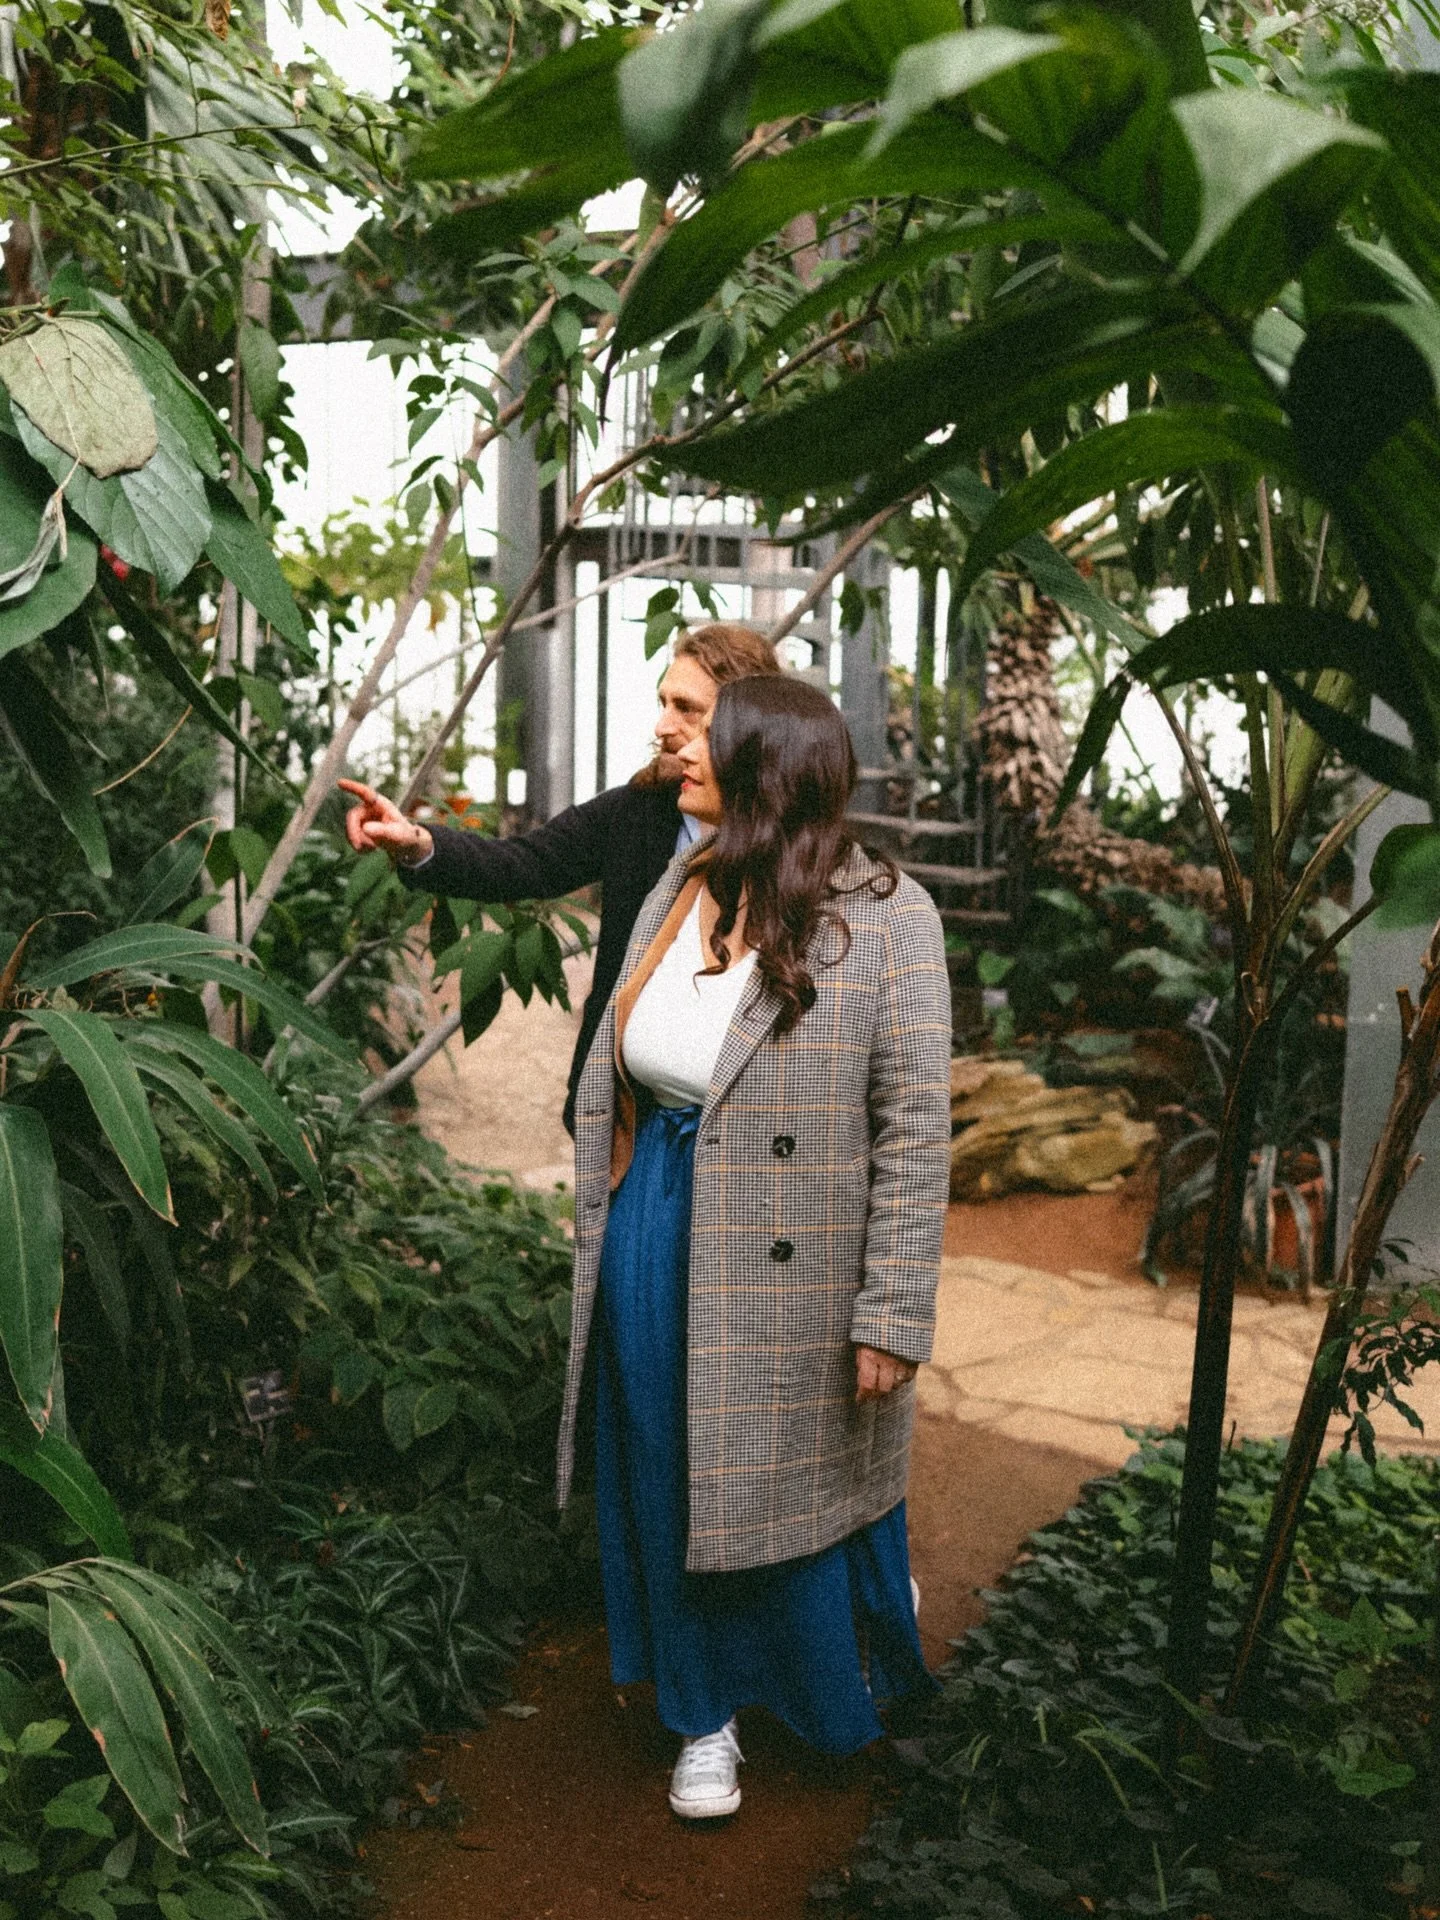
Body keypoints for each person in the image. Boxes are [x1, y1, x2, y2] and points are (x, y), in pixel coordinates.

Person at [560, 674, 951, 1821]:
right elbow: (621, 1045)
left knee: (790, 1480)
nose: (675, 747)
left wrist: (892, 1314)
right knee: (668, 1471)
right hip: (659, 1218)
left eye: (703, 737)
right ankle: (703, 1720)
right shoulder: (681, 885)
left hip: (798, 1258)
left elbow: (917, 1132)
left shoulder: (889, 915)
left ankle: (829, 1685)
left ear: (765, 769)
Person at [339, 624, 781, 1132]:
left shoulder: (798, 844)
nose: (662, 725)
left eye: (686, 708)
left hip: (753, 1117)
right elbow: (522, 863)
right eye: (663, 702)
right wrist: (417, 842)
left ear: (746, 718)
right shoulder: (635, 813)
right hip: (632, 1108)